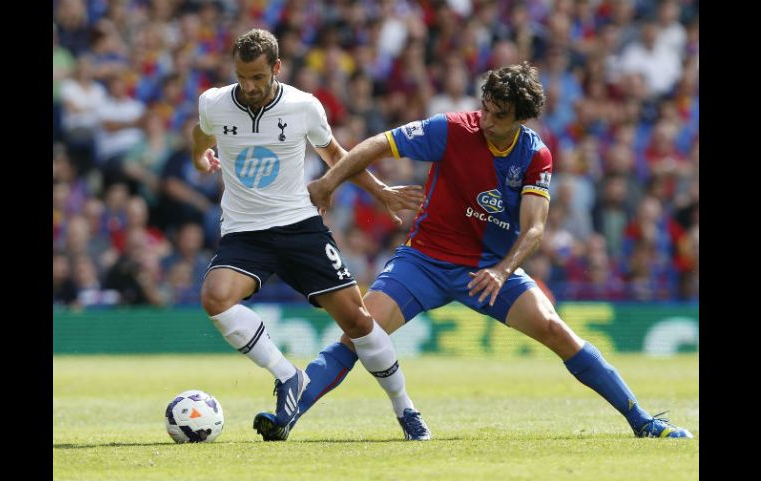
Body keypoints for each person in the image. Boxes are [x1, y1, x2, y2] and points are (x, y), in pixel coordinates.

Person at [255, 62, 693, 440]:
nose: (486, 120)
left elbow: (535, 228)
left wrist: (502, 271)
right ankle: (285, 417)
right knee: (358, 331)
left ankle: (642, 420)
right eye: (485, 107)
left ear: (521, 118)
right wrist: (330, 182)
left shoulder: (535, 156)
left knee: (555, 329)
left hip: (489, 270)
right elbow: (376, 144)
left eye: (499, 115)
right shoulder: (450, 129)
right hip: (424, 261)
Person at [192, 29, 431, 442]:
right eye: (241, 77)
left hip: (299, 226)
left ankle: (405, 408)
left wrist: (381, 192)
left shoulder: (303, 106)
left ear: (276, 68)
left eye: (257, 77)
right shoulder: (214, 102)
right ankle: (288, 375)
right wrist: (200, 155)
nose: (249, 86)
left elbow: (336, 155)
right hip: (245, 231)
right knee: (215, 297)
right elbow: (201, 130)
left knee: (358, 321)